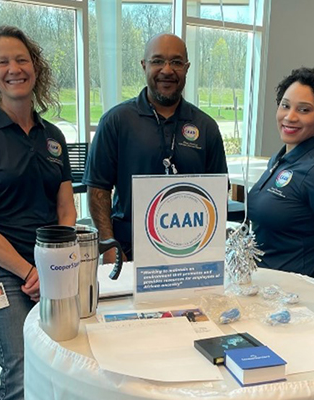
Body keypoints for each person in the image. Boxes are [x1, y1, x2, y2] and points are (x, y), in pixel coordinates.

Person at [0, 26, 76, 400]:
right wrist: (29, 271)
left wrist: (51, 266)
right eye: (2, 62)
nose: (14, 69)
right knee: (22, 370)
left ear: (35, 68)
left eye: (22, 60)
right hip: (5, 274)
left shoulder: (53, 137)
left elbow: (66, 210)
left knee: (61, 360)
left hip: (50, 269)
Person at [83, 33, 228, 262]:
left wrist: (210, 253)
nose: (167, 70)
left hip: (189, 253)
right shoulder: (116, 121)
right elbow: (98, 189)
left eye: (176, 62)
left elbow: (217, 194)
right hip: (128, 250)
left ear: (187, 68)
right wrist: (109, 247)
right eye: (158, 61)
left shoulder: (206, 127)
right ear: (144, 65)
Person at [247, 67, 314, 278]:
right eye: (285, 106)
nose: (290, 117)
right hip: (263, 284)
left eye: (304, 110)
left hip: (294, 291)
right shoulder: (279, 160)